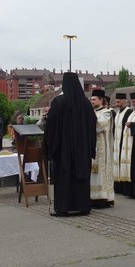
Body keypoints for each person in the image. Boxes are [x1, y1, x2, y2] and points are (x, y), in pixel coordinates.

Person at [45, 72, 96, 216]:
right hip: (83, 149)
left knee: (64, 176)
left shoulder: (59, 102)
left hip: (64, 149)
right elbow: (93, 124)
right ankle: (83, 206)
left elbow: (52, 126)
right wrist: (89, 145)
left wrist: (51, 146)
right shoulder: (86, 103)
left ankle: (63, 208)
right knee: (81, 176)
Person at [90, 89, 115, 208]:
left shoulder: (106, 112)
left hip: (102, 149)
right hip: (93, 146)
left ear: (101, 100)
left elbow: (100, 126)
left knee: (101, 172)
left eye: (94, 99)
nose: (92, 101)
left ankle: (103, 197)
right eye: (91, 99)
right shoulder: (93, 112)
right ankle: (93, 196)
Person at [112, 92, 132, 195]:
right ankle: (117, 186)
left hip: (124, 143)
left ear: (124, 101)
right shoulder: (118, 112)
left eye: (118, 102)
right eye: (116, 102)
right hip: (117, 142)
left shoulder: (129, 112)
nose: (116, 103)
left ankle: (124, 187)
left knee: (123, 164)